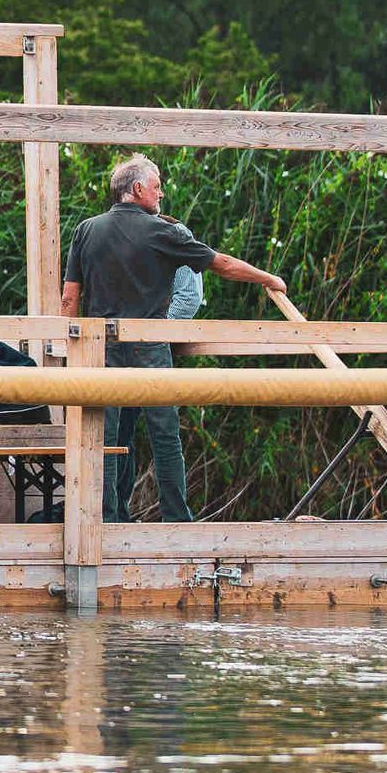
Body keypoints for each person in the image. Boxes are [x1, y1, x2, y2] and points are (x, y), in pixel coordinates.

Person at [63, 154, 287, 522]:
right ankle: (176, 519)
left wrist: (70, 354)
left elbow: (70, 298)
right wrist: (268, 279)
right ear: (137, 189)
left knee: (106, 438)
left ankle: (105, 519)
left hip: (99, 349)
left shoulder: (86, 229)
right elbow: (223, 265)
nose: (161, 193)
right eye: (157, 186)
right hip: (149, 346)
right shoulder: (162, 231)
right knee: (164, 435)